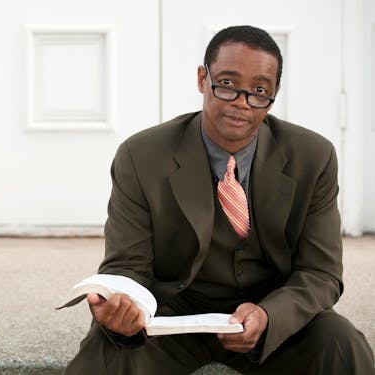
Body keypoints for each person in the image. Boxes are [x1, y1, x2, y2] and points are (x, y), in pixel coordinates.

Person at [63, 25, 374, 375]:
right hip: (171, 317)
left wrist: (270, 315)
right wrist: (121, 306)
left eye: (259, 90)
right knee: (105, 356)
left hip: (271, 316)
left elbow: (321, 273)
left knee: (341, 343)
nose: (242, 101)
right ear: (202, 78)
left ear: (275, 94)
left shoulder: (313, 157)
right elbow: (126, 267)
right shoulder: (140, 155)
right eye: (227, 83)